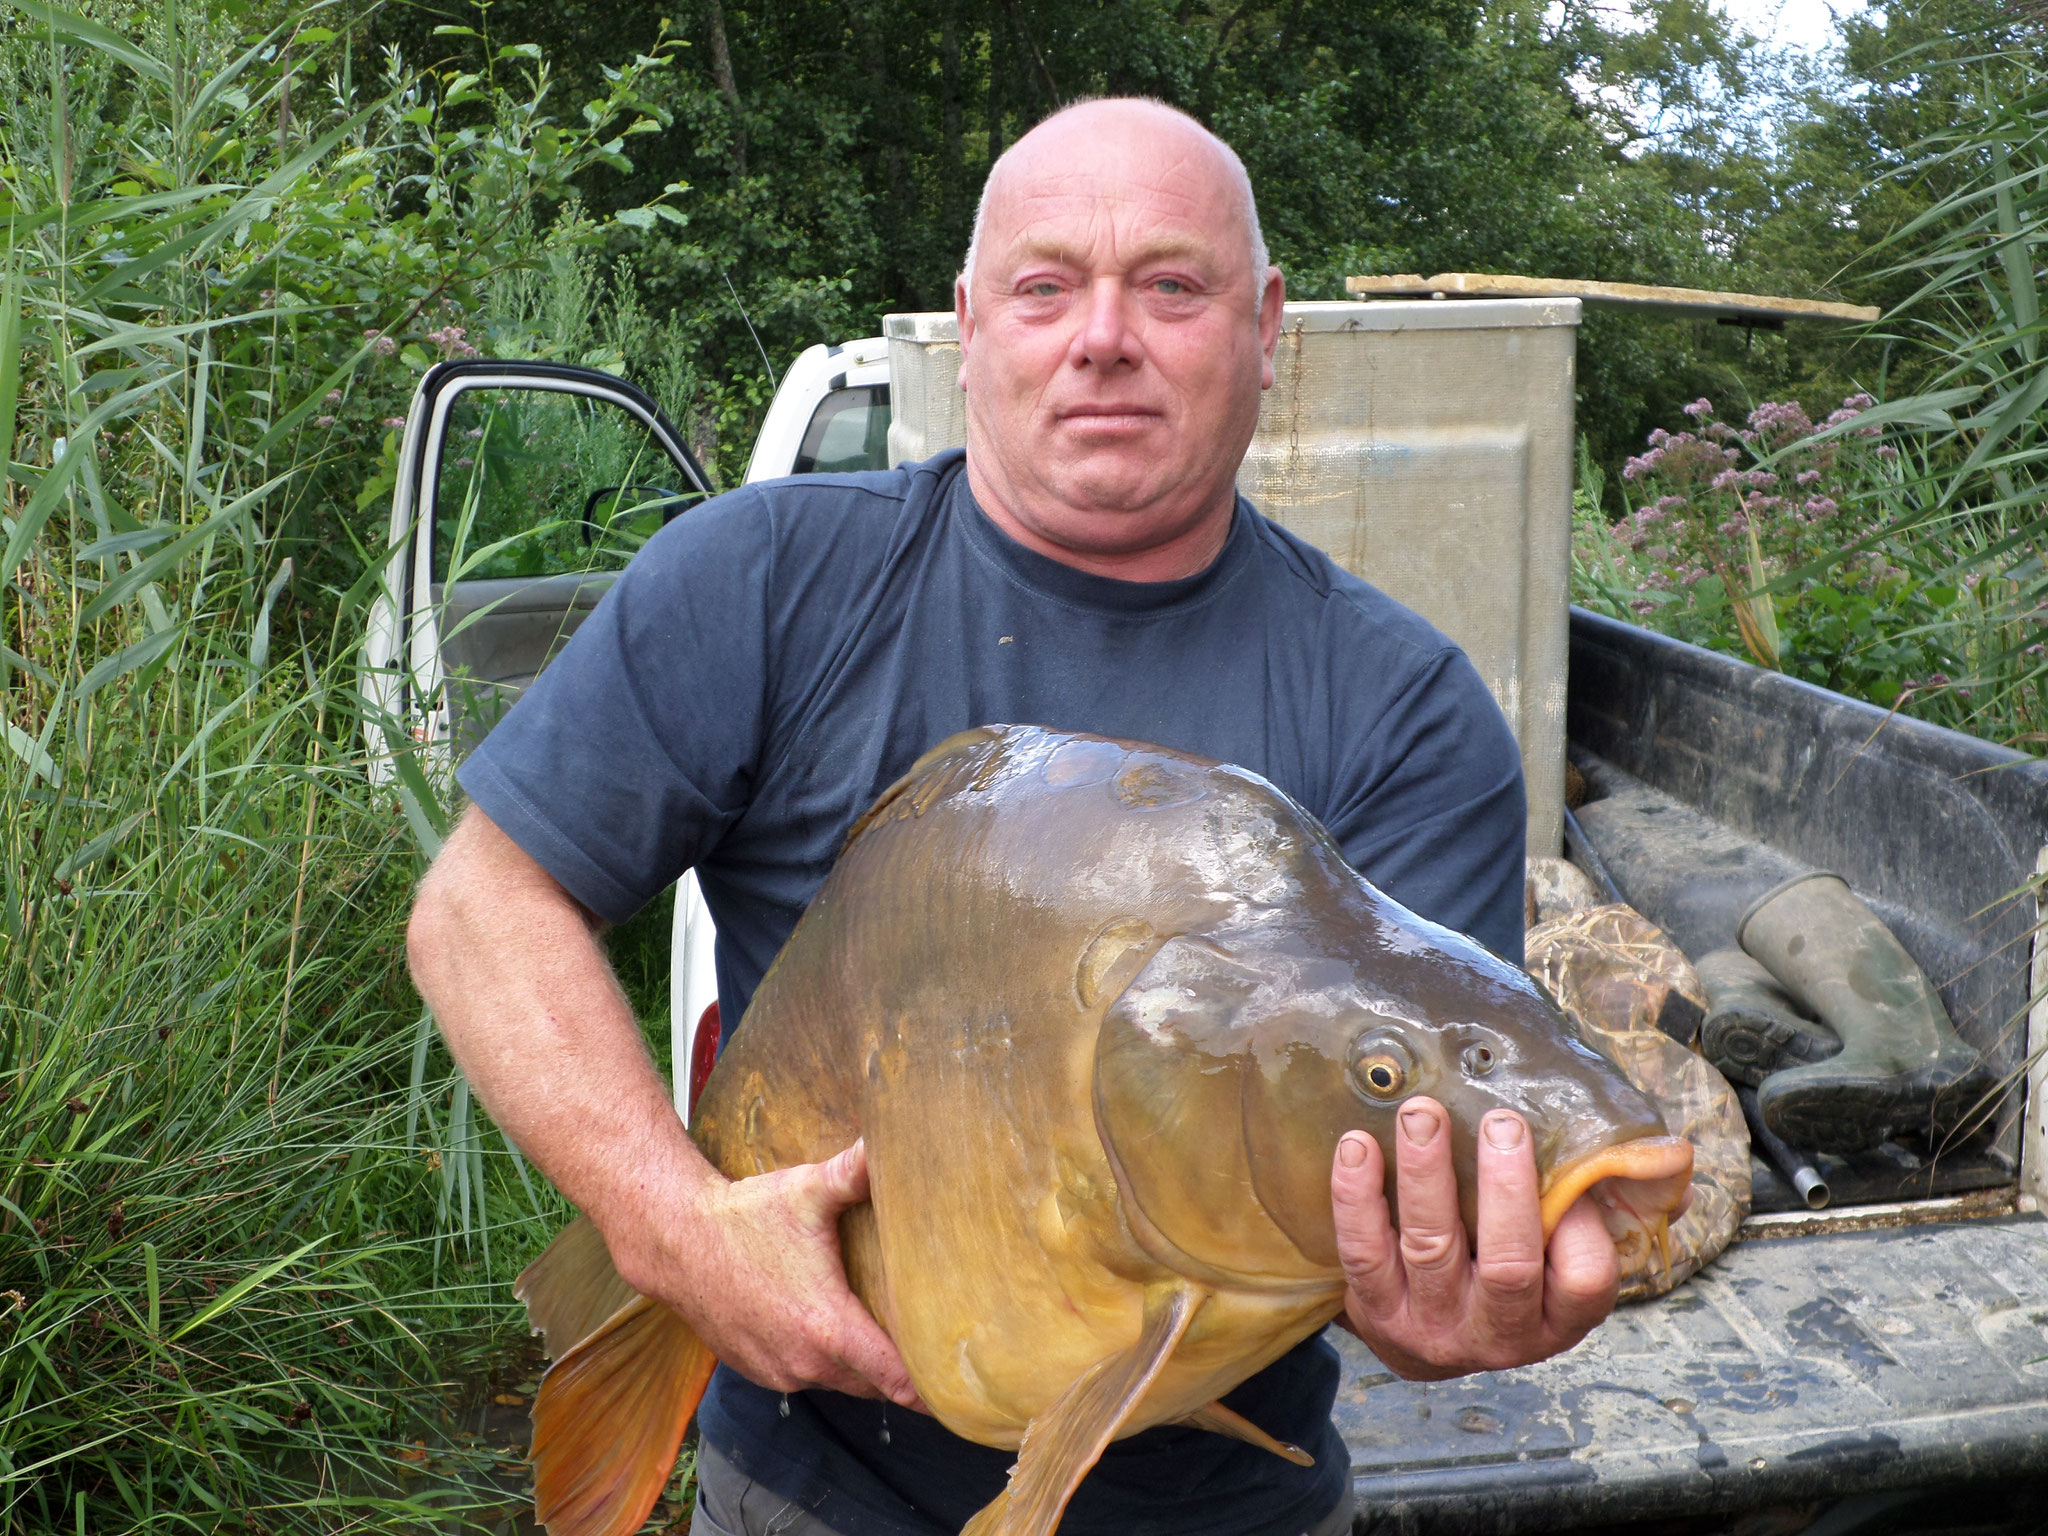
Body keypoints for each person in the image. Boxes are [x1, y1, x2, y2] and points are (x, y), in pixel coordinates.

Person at [408, 97, 1623, 1536]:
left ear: (1266, 328)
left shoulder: (1405, 707)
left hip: (1232, 1508)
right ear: (971, 325)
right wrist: (668, 1226)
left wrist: (1455, 1303)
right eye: (1047, 287)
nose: (1103, 336)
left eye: (1173, 286)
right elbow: (479, 908)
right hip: (813, 1480)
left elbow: (1413, 1230)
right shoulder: (761, 579)